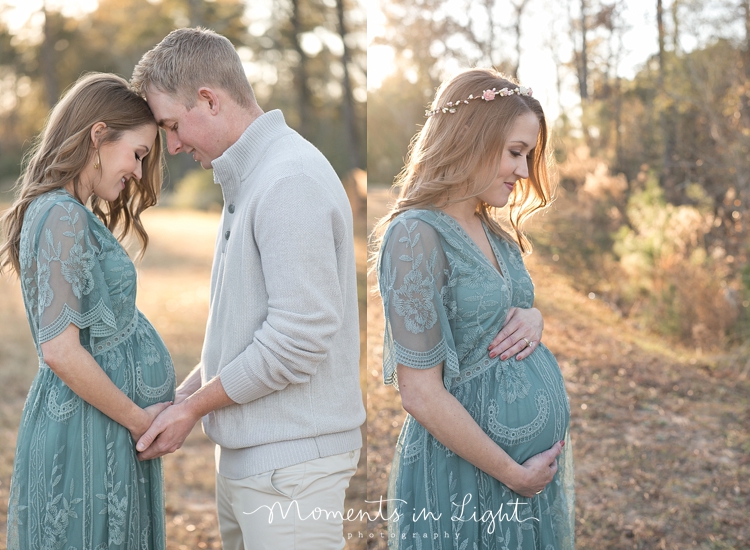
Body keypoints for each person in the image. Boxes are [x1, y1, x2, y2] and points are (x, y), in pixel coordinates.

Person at [129, 27, 366, 549]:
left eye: (172, 124)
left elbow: (296, 340)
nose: (171, 144)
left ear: (209, 100)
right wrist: (182, 397)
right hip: (252, 461)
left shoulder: (288, 181)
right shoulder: (253, 176)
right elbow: (244, 334)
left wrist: (192, 410)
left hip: (292, 468)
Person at [373, 68, 575, 549]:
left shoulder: (493, 230)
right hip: (470, 476)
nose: (523, 173)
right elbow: (419, 393)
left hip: (524, 481)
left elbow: (496, 315)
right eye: (515, 153)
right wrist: (513, 473)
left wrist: (535, 317)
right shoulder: (415, 236)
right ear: (470, 137)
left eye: (526, 156)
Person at [0, 73, 173, 549]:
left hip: (101, 424)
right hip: (87, 431)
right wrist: (143, 424)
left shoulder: (68, 211)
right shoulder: (59, 214)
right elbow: (60, 350)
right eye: (137, 153)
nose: (139, 171)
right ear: (98, 135)